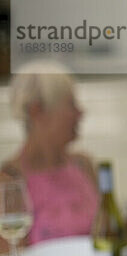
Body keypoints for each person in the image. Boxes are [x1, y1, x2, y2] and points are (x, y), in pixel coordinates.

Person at [1, 61, 98, 245]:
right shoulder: (9, 179)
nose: (81, 112)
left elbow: (110, 235)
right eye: (71, 104)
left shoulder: (84, 165)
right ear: (37, 111)